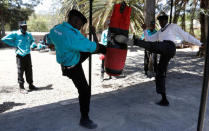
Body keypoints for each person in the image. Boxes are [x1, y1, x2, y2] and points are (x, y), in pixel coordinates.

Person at [114, 11, 202, 106]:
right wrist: (144, 30)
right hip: (164, 50)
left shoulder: (173, 26)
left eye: (162, 20)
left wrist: (200, 44)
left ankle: (133, 42)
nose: (161, 23)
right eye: (159, 21)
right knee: (160, 73)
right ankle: (164, 99)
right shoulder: (160, 32)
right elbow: (150, 39)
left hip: (169, 47)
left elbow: (186, 36)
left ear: (166, 20)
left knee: (153, 46)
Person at [48, 9, 106, 129]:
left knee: (88, 49)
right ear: (75, 20)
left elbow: (49, 40)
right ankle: (84, 119)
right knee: (85, 91)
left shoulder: (56, 29)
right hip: (73, 67)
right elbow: (95, 47)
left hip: (65, 62)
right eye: (81, 24)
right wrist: (106, 49)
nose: (81, 27)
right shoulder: (73, 36)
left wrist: (56, 46)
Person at [1, 21, 38, 94]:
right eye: (23, 27)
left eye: (26, 26)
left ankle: (31, 85)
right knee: (20, 71)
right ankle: (21, 87)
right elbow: (4, 39)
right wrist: (14, 44)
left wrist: (33, 44)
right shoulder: (15, 34)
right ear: (20, 27)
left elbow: (32, 40)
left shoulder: (28, 34)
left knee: (29, 70)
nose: (25, 28)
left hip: (27, 54)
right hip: (20, 55)